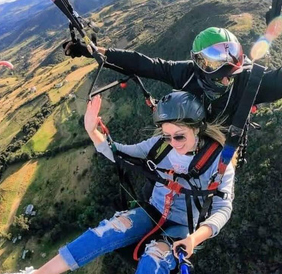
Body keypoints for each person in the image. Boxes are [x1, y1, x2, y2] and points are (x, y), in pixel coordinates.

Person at [15, 91, 235, 274]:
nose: (173, 143)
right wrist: (92, 131)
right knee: (106, 231)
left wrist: (194, 239)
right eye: (168, 136)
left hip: (182, 226)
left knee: (154, 261)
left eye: (179, 136)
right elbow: (119, 154)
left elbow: (223, 209)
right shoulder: (159, 146)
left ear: (197, 128)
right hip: (152, 210)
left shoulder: (220, 162)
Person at [64, 27, 282, 126]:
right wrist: (94, 51)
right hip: (191, 135)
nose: (227, 79)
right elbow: (144, 63)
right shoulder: (186, 73)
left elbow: (281, 81)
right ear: (201, 65)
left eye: (230, 71)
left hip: (224, 137)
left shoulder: (246, 81)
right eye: (220, 72)